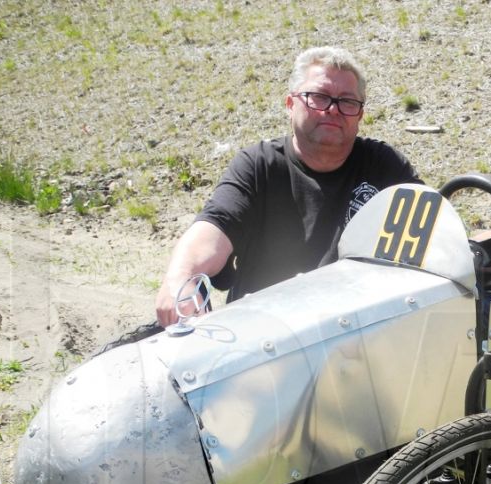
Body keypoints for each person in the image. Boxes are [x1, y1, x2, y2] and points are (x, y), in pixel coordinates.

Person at [155, 46, 419, 325]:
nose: (333, 110)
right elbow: (213, 229)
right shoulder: (258, 165)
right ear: (291, 105)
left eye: (347, 102)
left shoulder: (384, 166)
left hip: (354, 334)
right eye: (318, 97)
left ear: (360, 115)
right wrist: (179, 277)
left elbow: (434, 230)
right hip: (264, 336)